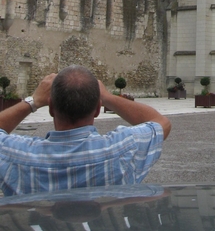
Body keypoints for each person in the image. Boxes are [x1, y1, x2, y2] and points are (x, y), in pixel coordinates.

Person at [0, 65, 171, 196]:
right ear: (98, 109)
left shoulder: (18, 155)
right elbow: (161, 122)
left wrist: (33, 101)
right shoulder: (122, 148)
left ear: (51, 107)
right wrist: (108, 97)